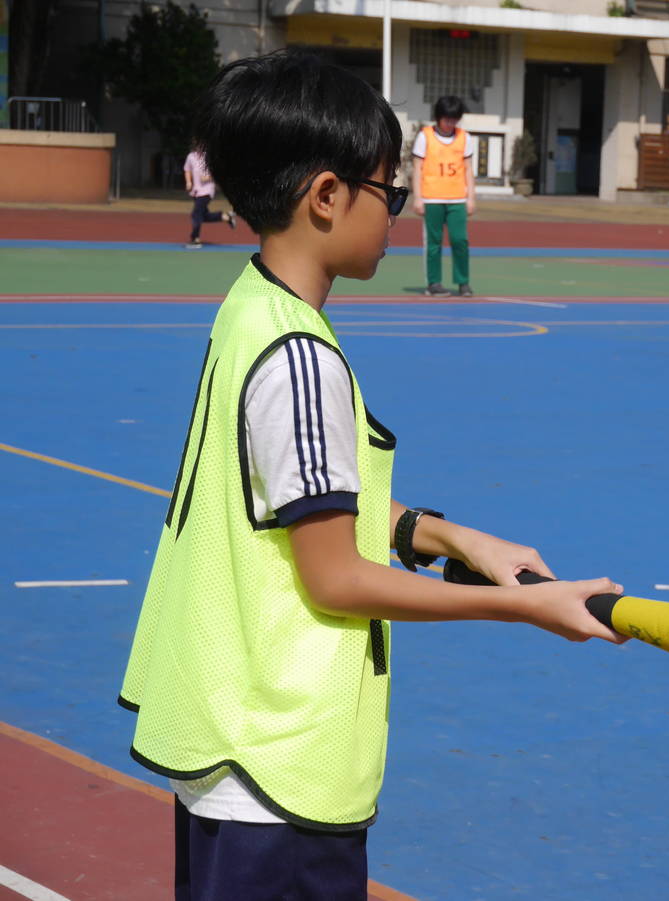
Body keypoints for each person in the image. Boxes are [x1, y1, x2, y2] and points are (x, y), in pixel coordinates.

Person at [118, 49, 623, 900]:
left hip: (233, 746)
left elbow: (295, 500)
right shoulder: (300, 355)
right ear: (325, 195)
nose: (400, 212)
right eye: (388, 193)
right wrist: (524, 604)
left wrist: (450, 534)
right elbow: (335, 577)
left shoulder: (250, 309)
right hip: (278, 763)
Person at [412, 95, 476, 297]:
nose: (451, 123)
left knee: (460, 241)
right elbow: (417, 168)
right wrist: (418, 198)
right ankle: (434, 283)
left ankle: (463, 282)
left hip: (457, 198)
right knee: (433, 243)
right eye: (447, 119)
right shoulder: (425, 136)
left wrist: (471, 198)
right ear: (438, 117)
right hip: (432, 198)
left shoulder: (465, 137)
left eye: (455, 119)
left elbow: (468, 169)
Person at [183, 147, 236, 248]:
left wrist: (209, 177)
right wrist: (189, 182)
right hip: (196, 191)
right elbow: (187, 170)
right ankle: (226, 217)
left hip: (207, 191)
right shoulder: (191, 156)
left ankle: (195, 239)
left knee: (196, 214)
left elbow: (220, 170)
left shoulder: (210, 156)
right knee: (203, 216)